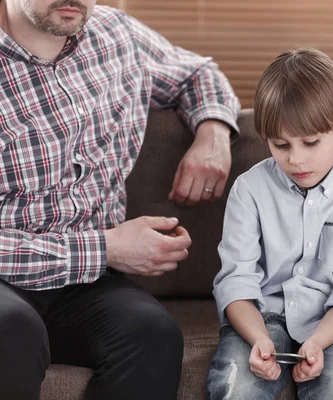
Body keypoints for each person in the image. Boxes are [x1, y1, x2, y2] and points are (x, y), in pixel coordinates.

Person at [0, 0, 240, 399]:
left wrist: (212, 135)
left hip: (86, 286)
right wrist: (105, 248)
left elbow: (197, 74)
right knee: (10, 331)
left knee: (153, 336)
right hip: (7, 280)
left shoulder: (116, 34)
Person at [206, 48, 333, 400]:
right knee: (236, 388)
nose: (296, 159)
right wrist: (259, 338)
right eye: (280, 145)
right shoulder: (249, 190)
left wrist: (319, 341)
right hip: (262, 319)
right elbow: (236, 281)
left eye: (310, 142)